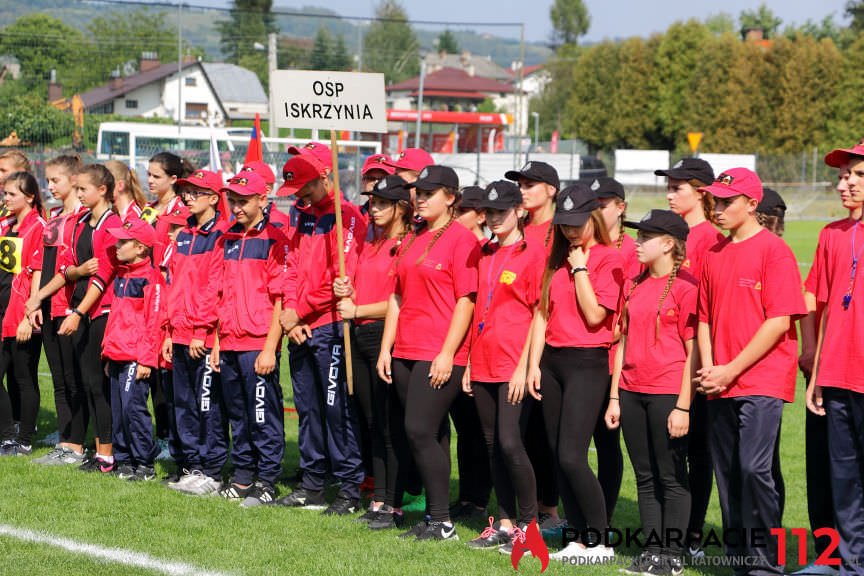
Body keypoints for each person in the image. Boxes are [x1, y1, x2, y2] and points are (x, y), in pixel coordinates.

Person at [696, 168, 805, 576]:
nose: (718, 208)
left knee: (753, 468)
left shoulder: (774, 251)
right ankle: (741, 560)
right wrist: (710, 367)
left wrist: (730, 370)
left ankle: (765, 564)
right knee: (727, 474)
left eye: (727, 201)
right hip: (719, 379)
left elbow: (778, 322)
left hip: (761, 379)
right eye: (716, 201)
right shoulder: (713, 253)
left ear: (753, 204)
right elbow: (703, 317)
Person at [377, 165, 480, 542]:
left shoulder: (462, 240)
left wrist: (448, 353)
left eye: (429, 193)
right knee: (431, 433)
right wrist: (387, 347)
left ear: (451, 197)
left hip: (438, 351)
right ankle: (437, 518)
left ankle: (442, 520)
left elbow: (466, 302)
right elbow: (397, 296)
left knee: (418, 429)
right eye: (417, 192)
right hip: (405, 349)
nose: (420, 198)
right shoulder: (413, 237)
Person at [527, 182, 623, 562]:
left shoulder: (608, 259)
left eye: (577, 223)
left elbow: (596, 314)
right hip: (552, 362)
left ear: (593, 218)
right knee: (555, 452)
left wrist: (581, 268)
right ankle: (577, 537)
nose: (570, 230)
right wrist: (534, 363)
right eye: (565, 224)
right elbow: (542, 314)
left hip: (588, 363)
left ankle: (601, 539)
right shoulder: (556, 259)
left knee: (572, 455)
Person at [605, 209, 697, 576]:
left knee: (671, 477)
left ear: (669, 244)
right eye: (637, 236)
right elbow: (623, 343)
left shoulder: (687, 288)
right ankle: (653, 550)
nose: (637, 244)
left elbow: (694, 353)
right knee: (644, 475)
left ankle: (672, 556)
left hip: (667, 393)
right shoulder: (635, 284)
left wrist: (684, 406)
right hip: (631, 391)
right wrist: (615, 396)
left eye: (645, 238)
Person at [276, 153, 368, 516]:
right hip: (300, 327)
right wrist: (291, 314)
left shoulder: (348, 218)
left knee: (335, 409)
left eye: (306, 187)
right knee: (308, 409)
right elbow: (292, 267)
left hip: (330, 326)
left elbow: (340, 278)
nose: (301, 195)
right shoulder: (303, 216)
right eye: (295, 190)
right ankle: (311, 484)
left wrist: (302, 310)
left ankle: (349, 487)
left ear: (325, 176)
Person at [462, 180, 543, 553]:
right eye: (489, 212)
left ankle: (530, 526)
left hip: (514, 363)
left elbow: (538, 314)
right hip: (482, 361)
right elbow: (478, 308)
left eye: (502, 211)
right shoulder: (484, 252)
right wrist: (467, 362)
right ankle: (504, 523)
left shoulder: (533, 254)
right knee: (494, 446)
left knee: (512, 444)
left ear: (520, 211)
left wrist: (524, 367)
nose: (494, 218)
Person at [27, 164, 123, 473]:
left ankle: (106, 454)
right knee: (85, 380)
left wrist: (79, 313)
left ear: (103, 190)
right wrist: (39, 297)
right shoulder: (80, 222)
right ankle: (98, 452)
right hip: (79, 309)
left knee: (97, 383)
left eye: (83, 189)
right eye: (77, 188)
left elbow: (103, 275)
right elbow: (68, 269)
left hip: (99, 311)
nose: (78, 194)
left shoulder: (112, 224)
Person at [332, 174, 413, 530]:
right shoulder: (370, 242)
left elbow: (403, 302)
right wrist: (345, 289)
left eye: (381, 203)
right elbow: (359, 289)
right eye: (371, 203)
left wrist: (358, 310)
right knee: (373, 422)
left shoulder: (409, 244)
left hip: (387, 336)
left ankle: (393, 503)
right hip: (361, 336)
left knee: (391, 423)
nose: (374, 209)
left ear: (401, 207)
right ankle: (378, 497)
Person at [655, 157, 722, 555]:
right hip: (666, 361)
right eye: (669, 185)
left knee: (698, 450)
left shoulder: (711, 238)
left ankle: (693, 534)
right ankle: (668, 527)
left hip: (702, 359)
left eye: (677, 186)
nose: (669, 193)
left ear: (701, 192)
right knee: (668, 451)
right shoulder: (665, 234)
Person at [794, 165, 859, 576]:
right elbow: (821, 304)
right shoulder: (831, 234)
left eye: (856, 175)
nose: (844, 184)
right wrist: (817, 370)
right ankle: (846, 564)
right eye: (842, 176)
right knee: (844, 479)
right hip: (836, 375)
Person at [209, 172, 287, 508]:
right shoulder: (226, 239)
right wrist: (216, 341)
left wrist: (270, 347)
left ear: (262, 201)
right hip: (229, 343)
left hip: (258, 343)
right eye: (233, 201)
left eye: (243, 201)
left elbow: (281, 297)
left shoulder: (274, 238)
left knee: (262, 414)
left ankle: (267, 482)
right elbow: (221, 294)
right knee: (238, 415)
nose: (237, 207)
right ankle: (243, 478)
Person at [160, 170, 229, 494]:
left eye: (195, 192)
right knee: (183, 404)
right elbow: (175, 286)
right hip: (181, 331)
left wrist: (202, 330)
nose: (187, 197)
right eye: (186, 191)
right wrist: (171, 332)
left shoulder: (222, 235)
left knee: (207, 405)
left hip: (203, 335)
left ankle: (211, 471)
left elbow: (215, 287)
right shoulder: (184, 233)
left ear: (214, 198)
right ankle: (190, 465)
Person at [505, 160, 564, 531]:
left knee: (546, 434)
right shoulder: (519, 229)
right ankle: (522, 507)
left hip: (548, 342)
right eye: (521, 184)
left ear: (551, 190)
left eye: (531, 184)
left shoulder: (558, 232)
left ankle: (551, 511)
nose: (523, 190)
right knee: (520, 434)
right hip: (511, 343)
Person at [31, 155, 88, 466]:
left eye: (55, 180)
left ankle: (76, 444)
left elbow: (75, 268)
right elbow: (40, 263)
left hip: (71, 306)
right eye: (48, 180)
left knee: (74, 376)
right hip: (50, 306)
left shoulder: (83, 217)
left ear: (74, 180)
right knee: (58, 378)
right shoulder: (52, 217)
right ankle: (65, 441)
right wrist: (36, 301)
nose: (50, 186)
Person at [102, 219, 164, 481]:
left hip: (136, 357)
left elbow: (155, 322)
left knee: (132, 409)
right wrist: (106, 350)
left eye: (123, 242)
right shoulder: (122, 275)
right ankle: (125, 459)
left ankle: (145, 463)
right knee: (118, 410)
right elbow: (115, 315)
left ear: (140, 248)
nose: (117, 246)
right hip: (116, 354)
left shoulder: (152, 279)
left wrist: (146, 360)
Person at [449, 183, 492, 520]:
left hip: (480, 353)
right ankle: (466, 496)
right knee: (465, 431)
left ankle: (480, 498)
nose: (457, 215)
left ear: (480, 216)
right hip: (459, 349)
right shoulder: (459, 247)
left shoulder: (484, 250)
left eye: (464, 211)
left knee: (481, 432)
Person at [0, 172, 45, 456]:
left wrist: (31, 310)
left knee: (24, 376)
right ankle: (8, 435)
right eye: (4, 194)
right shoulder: (10, 225)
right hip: (4, 309)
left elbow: (38, 270)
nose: (6, 199)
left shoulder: (37, 226)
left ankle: (24, 439)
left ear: (29, 196)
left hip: (22, 312)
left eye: (11, 194)